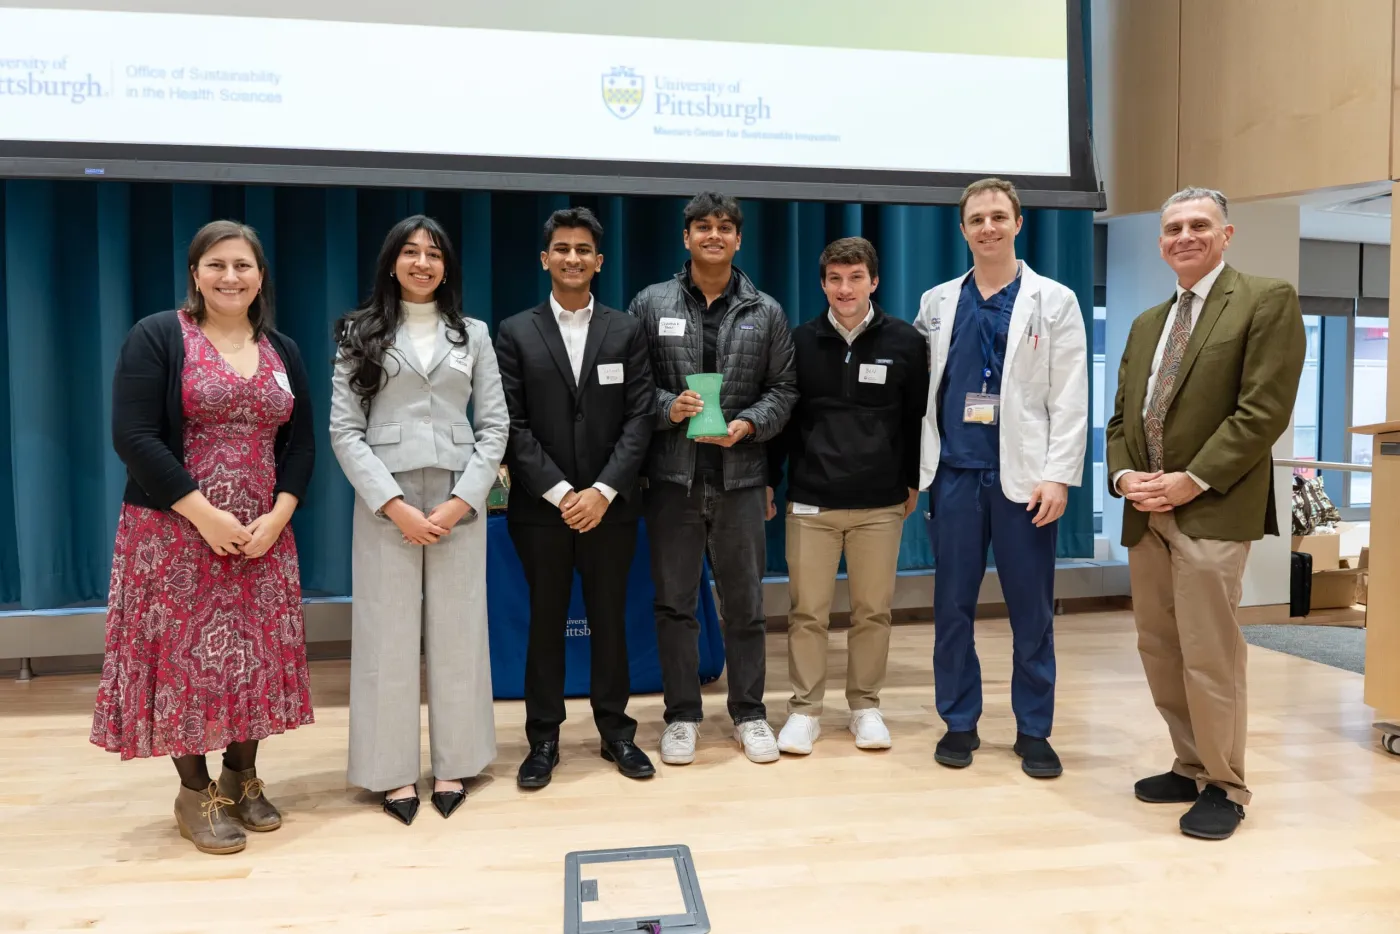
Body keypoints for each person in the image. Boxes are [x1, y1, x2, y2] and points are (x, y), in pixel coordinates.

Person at [91, 220, 315, 856]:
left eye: (243, 265)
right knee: (184, 665)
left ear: (260, 277)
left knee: (254, 659)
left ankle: (241, 776)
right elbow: (134, 436)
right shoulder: (160, 335)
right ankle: (196, 794)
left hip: (263, 538)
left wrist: (279, 515)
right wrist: (204, 515)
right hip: (175, 534)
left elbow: (301, 445)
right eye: (216, 264)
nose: (230, 277)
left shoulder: (282, 349)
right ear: (195, 273)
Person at [1106, 187, 1304, 840]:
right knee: (1160, 648)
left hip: (1210, 508)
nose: (1184, 236)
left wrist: (1191, 481)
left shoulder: (1265, 300)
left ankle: (1226, 784)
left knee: (1210, 653)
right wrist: (1125, 476)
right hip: (1147, 512)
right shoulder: (1147, 323)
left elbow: (1262, 410)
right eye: (1173, 228)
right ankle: (1190, 764)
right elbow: (1122, 419)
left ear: (1227, 234)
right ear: (1160, 241)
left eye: (1199, 225)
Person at [329, 215, 508, 825]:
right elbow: (345, 431)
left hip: (459, 499)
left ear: (447, 266)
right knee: (387, 635)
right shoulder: (359, 332)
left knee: (461, 632)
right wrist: (393, 505)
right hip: (387, 502)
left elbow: (495, 426)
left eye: (434, 253)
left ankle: (459, 762)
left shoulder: (474, 334)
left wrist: (464, 500)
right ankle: (392, 772)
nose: (422, 263)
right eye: (410, 252)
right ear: (391, 262)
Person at [915, 178, 1088, 778]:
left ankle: (1034, 730)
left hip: (1026, 481)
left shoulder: (1055, 300)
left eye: (997, 216)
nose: (987, 227)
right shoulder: (937, 302)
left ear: (1018, 223)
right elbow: (923, 393)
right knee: (952, 608)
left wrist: (1059, 476)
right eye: (976, 219)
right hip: (954, 475)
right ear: (962, 230)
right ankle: (959, 721)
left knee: (1032, 612)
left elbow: (1070, 397)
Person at [628, 191, 797, 765]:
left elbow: (784, 390)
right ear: (687, 237)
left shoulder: (765, 311)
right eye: (703, 226)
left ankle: (750, 713)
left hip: (741, 480)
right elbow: (632, 386)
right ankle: (681, 716)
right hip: (671, 480)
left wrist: (748, 425)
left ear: (738, 239)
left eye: (725, 227)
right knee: (675, 605)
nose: (714, 235)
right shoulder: (651, 303)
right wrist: (665, 407)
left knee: (745, 605)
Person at [495, 207, 656, 788]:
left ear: (599, 261)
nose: (572, 258)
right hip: (542, 511)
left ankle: (617, 732)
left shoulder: (626, 329)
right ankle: (543, 739)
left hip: (611, 508)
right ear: (545, 259)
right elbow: (511, 425)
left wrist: (603, 492)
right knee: (545, 622)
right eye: (561, 248)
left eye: (583, 249)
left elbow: (640, 418)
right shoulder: (514, 331)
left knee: (611, 620)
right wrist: (566, 494)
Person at [766, 237, 928, 755]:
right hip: (811, 502)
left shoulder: (906, 341)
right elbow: (784, 420)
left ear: (873, 281)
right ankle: (804, 710)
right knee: (806, 613)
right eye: (835, 278)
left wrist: (912, 482)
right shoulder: (799, 340)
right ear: (823, 284)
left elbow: (916, 418)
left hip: (880, 504)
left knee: (872, 612)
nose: (845, 288)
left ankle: (865, 707)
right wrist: (770, 480)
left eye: (856, 277)